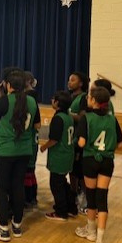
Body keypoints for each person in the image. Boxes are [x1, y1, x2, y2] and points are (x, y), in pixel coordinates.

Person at [0, 70, 40, 242]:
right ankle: (17, 225)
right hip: (24, 150)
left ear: (9, 85)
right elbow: (37, 125)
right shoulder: (31, 101)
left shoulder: (6, 100)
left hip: (5, 150)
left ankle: (3, 228)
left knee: (2, 188)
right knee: (18, 186)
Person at [74, 86, 122, 243]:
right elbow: (120, 144)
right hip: (107, 161)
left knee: (91, 196)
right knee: (102, 198)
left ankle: (91, 231)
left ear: (94, 101)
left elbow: (81, 143)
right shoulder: (112, 119)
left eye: (89, 97)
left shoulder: (86, 118)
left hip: (90, 160)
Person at [39, 91, 75, 221]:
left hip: (60, 156)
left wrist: (44, 147)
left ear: (58, 102)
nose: (51, 100)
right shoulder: (69, 117)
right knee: (63, 182)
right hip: (68, 154)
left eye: (53, 99)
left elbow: (54, 139)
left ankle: (61, 211)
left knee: (56, 184)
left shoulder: (58, 119)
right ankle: (71, 207)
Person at [67, 71, 89, 214]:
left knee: (80, 171)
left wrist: (66, 114)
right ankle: (73, 194)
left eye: (73, 80)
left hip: (79, 138)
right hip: (69, 139)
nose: (69, 82)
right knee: (72, 170)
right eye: (69, 80)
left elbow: (82, 118)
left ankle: (85, 198)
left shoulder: (83, 98)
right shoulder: (69, 97)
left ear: (80, 83)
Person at [24, 71, 40, 210]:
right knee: (30, 171)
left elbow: (37, 124)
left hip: (28, 139)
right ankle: (32, 197)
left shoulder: (29, 98)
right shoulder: (32, 97)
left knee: (27, 172)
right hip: (32, 139)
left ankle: (29, 198)